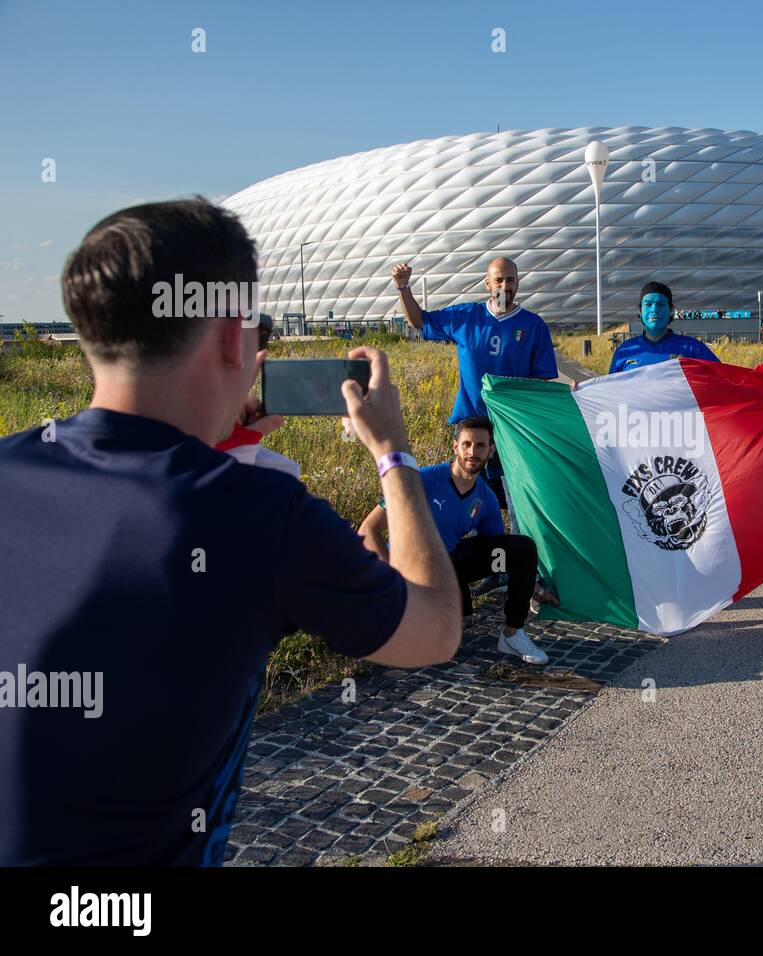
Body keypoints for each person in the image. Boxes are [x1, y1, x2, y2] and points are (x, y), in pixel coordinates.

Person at [0, 198, 461, 866]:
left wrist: (215, 445)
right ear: (227, 337)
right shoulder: (260, 513)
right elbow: (436, 628)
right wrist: (394, 454)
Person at [360, 418, 557, 665]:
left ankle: (512, 634)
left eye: (480, 446)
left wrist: (535, 587)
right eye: (467, 444)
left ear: (491, 450)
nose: (472, 452)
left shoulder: (486, 498)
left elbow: (497, 554)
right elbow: (368, 530)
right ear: (455, 447)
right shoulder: (422, 479)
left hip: (446, 563)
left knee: (522, 549)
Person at [392, 257, 558, 505]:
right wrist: (404, 288)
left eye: (510, 279)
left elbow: (542, 383)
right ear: (487, 283)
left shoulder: (533, 325)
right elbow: (419, 321)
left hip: (511, 427)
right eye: (498, 279)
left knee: (515, 499)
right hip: (470, 426)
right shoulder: (465, 316)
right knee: (465, 498)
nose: (505, 285)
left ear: (518, 283)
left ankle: (512, 543)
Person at [606, 281, 720, 374]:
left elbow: (723, 380)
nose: (654, 309)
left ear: (671, 310)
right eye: (648, 304)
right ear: (640, 311)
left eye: (660, 304)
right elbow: (610, 392)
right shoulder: (624, 351)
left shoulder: (693, 349)